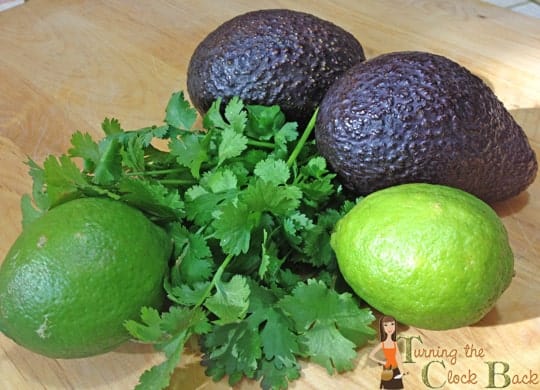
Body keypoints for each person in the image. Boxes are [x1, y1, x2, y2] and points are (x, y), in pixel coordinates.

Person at [368, 315, 406, 389]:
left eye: (392, 324)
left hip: (395, 368)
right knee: (388, 386)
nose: (390, 328)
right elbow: (371, 355)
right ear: (383, 328)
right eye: (386, 325)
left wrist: (401, 370)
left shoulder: (394, 343)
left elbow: (398, 356)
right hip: (388, 369)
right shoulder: (383, 343)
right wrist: (382, 362)